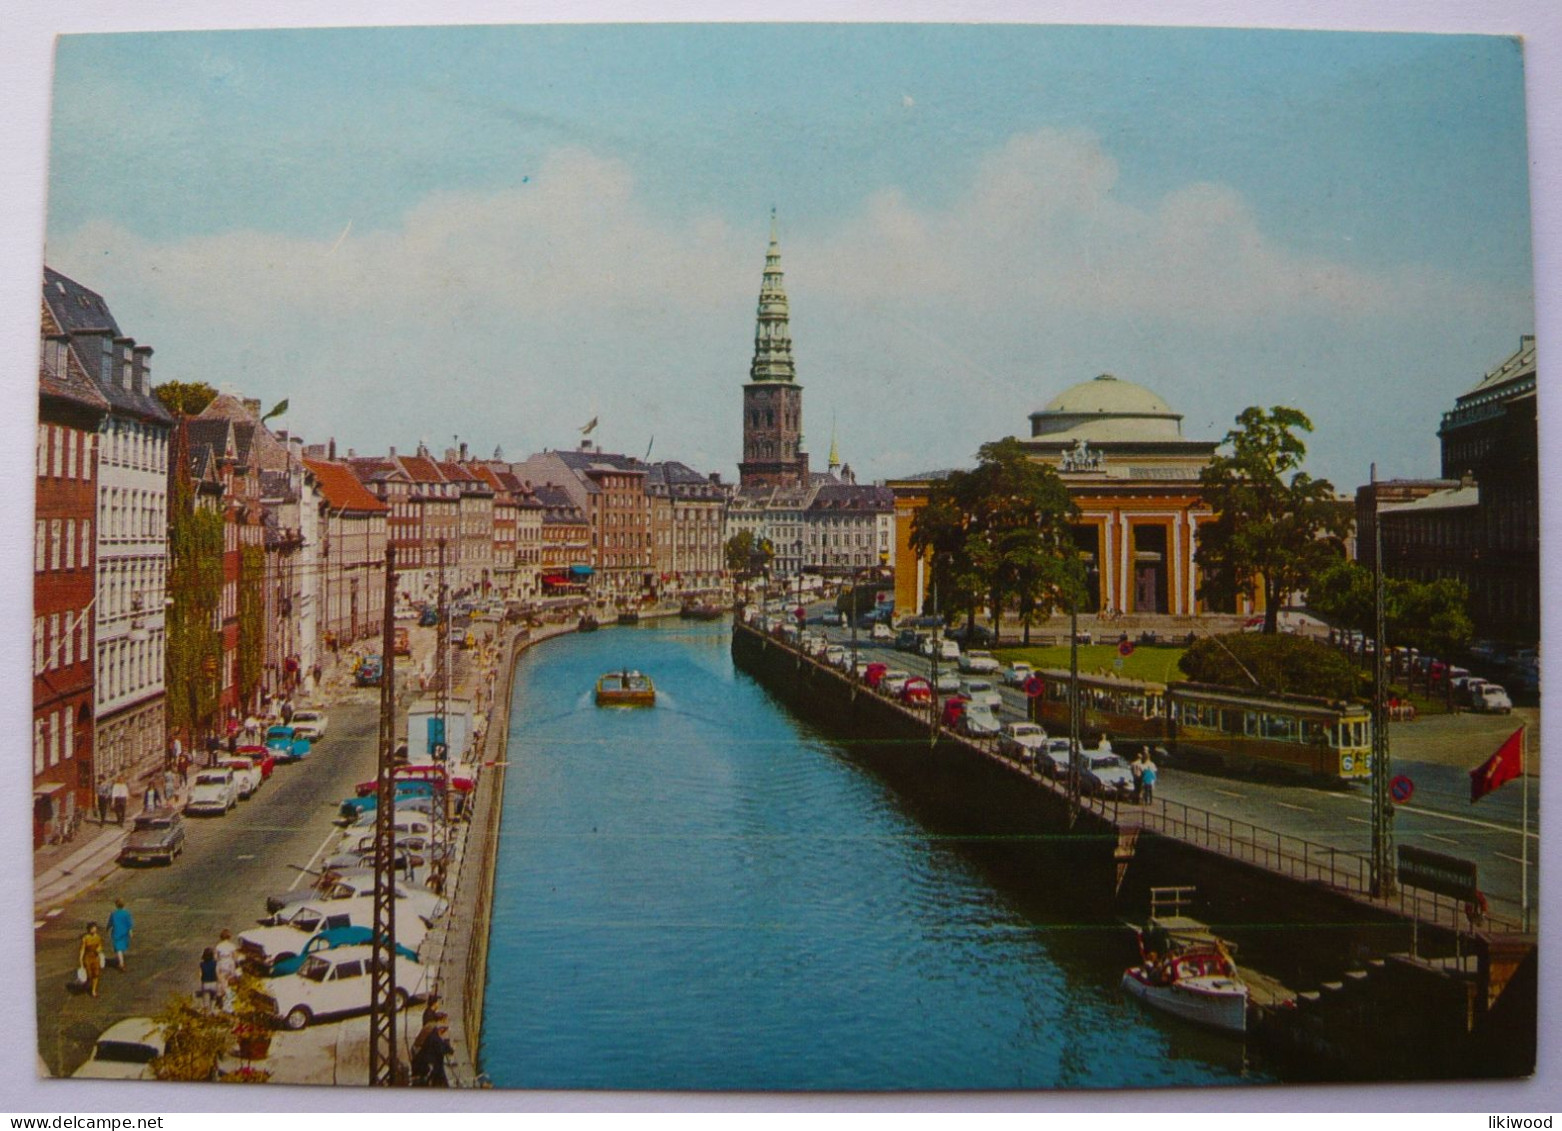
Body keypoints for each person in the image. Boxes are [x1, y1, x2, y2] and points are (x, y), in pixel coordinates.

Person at [410, 1014, 452, 1086]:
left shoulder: (431, 1027)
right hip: (422, 1063)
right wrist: (448, 1044)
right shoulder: (433, 1032)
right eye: (445, 1022)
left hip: (419, 1058)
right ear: (441, 1021)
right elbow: (439, 1047)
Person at [214, 928, 239, 1008]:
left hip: (221, 963)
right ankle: (228, 998)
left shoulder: (218, 946)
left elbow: (215, 958)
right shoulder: (232, 946)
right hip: (229, 963)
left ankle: (220, 996)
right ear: (229, 937)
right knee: (229, 981)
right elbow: (235, 957)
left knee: (221, 981)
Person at [107, 899, 133, 971]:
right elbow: (129, 923)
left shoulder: (114, 914)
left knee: (118, 948)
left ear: (116, 905)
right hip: (124, 933)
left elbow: (110, 923)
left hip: (116, 933)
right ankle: (121, 961)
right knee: (121, 947)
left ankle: (121, 963)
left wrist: (107, 928)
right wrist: (130, 931)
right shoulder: (126, 913)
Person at [78, 923, 104, 998]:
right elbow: (82, 949)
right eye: (92, 928)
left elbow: (100, 946)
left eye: (95, 928)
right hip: (87, 957)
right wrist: (80, 959)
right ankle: (87, 984)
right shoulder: (85, 938)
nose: (94, 930)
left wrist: (99, 950)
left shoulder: (98, 937)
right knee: (89, 975)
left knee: (96, 974)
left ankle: (93, 991)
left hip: (95, 957)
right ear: (89, 929)